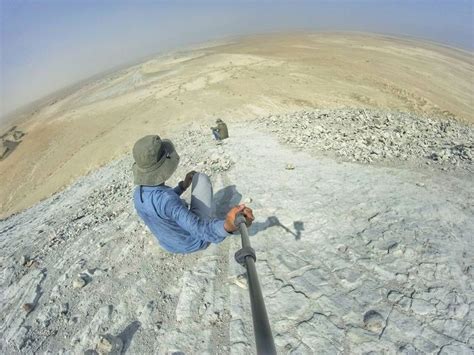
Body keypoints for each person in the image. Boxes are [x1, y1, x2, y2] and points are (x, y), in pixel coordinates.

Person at [132, 135, 254, 253]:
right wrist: (228, 225)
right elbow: (199, 228)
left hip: (168, 244)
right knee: (201, 178)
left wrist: (182, 187)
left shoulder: (138, 194)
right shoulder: (167, 200)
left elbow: (161, 208)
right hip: (193, 242)